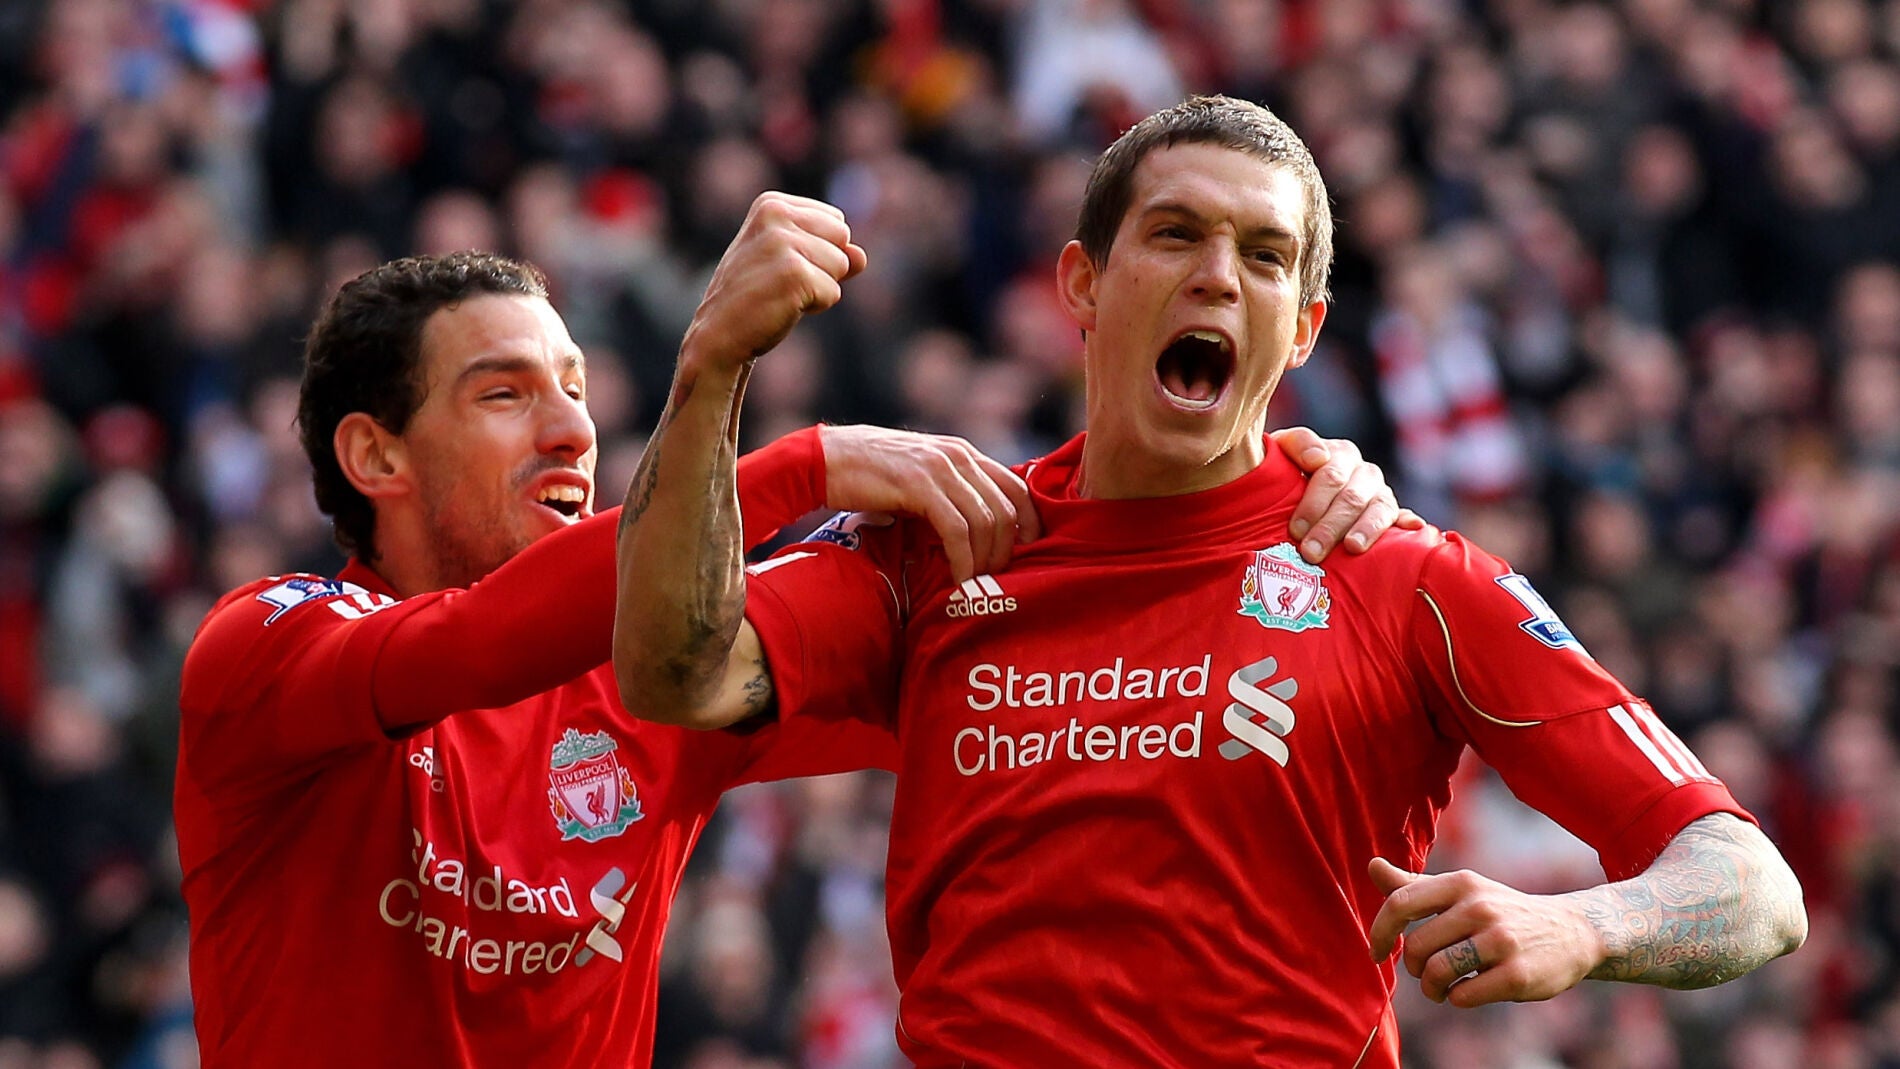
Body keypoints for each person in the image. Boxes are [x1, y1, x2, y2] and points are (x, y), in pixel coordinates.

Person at [613, 95, 1809, 1067]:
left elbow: (1751, 887)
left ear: (1302, 327)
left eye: (1265, 254)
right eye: (1176, 233)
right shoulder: (946, 547)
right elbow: (672, 669)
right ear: (1082, 284)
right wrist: (712, 370)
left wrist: (1582, 924)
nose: (1218, 277)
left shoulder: (1398, 577)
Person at [173, 249, 1410, 1066]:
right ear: (374, 456)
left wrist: (1249, 494)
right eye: (503, 397)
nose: (570, 429)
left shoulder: (653, 679)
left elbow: (1024, 661)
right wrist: (790, 465)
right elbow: (480, 639)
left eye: (575, 387)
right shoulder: (269, 652)